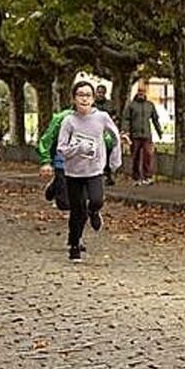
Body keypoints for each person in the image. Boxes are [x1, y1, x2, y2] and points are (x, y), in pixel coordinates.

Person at [57, 81, 122, 262]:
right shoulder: (69, 121)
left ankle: (94, 212)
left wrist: (115, 160)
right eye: (80, 95)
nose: (84, 99)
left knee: (96, 200)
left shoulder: (102, 117)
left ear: (93, 98)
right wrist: (78, 148)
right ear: (74, 99)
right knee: (77, 211)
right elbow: (61, 149)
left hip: (94, 170)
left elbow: (115, 136)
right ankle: (75, 244)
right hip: (73, 172)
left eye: (88, 95)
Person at [121, 83, 162, 185]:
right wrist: (125, 131)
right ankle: (136, 177)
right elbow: (126, 119)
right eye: (139, 91)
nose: (141, 94)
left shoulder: (150, 105)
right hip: (135, 135)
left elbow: (155, 119)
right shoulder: (131, 105)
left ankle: (147, 176)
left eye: (142, 92)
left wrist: (159, 131)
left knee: (148, 156)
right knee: (135, 157)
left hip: (147, 135)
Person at [38, 107, 73, 212]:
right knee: (64, 204)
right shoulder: (61, 118)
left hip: (82, 160)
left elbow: (103, 137)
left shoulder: (94, 118)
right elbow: (47, 139)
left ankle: (55, 184)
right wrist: (46, 161)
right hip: (60, 156)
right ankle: (54, 186)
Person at [93, 84, 118, 185]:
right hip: (94, 132)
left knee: (107, 153)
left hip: (106, 133)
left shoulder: (109, 104)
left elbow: (115, 116)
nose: (100, 94)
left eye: (102, 93)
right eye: (98, 92)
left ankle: (108, 175)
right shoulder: (92, 104)